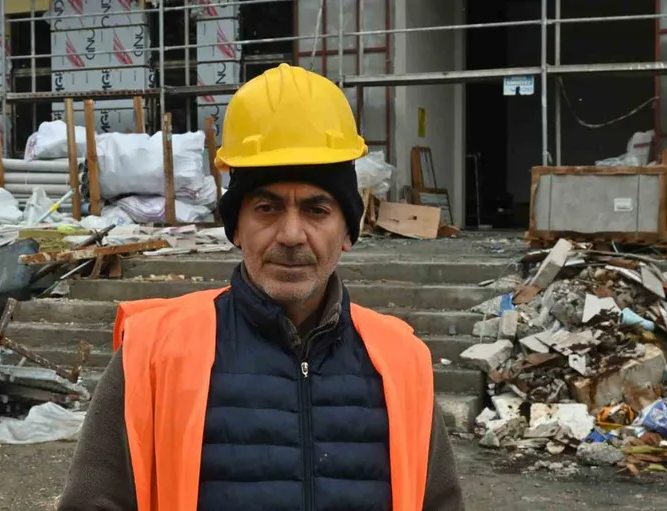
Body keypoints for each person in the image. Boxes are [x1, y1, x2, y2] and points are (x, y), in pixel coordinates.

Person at [59, 63, 464, 511]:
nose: (291, 235)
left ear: (349, 231)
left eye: (316, 210)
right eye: (267, 208)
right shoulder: (153, 353)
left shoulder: (402, 361)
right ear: (236, 228)